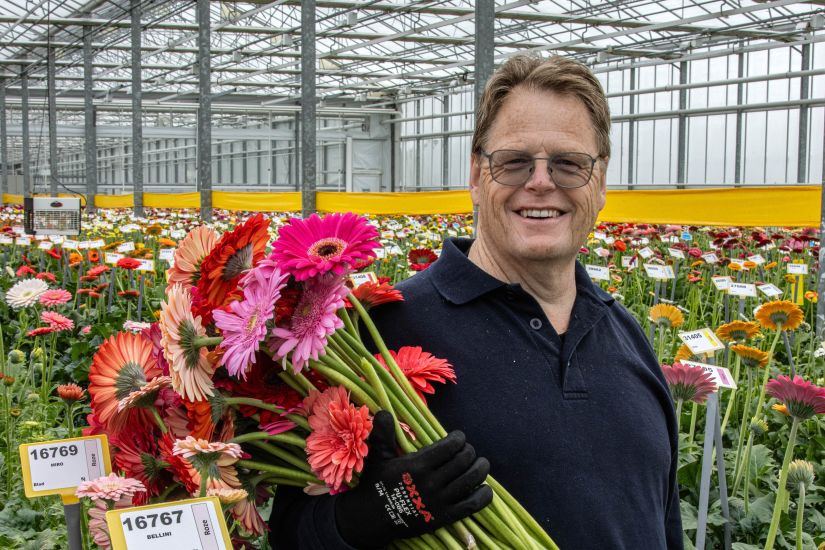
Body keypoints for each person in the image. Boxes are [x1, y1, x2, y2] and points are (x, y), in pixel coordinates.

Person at [269, 54, 683, 549]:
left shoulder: (628, 335)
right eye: (514, 162)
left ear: (600, 181)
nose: (541, 182)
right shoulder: (379, 332)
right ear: (475, 174)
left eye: (569, 164)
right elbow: (292, 533)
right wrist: (371, 515)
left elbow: (664, 522)